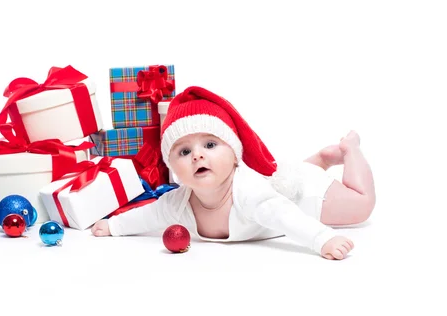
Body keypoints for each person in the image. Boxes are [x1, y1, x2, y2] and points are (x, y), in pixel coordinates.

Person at [91, 86, 376, 260]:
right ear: (171, 167)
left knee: (360, 206)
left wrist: (322, 240)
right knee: (294, 179)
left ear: (236, 154)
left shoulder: (248, 192)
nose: (198, 155)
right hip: (283, 186)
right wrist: (114, 227)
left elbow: (285, 217)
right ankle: (318, 160)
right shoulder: (177, 203)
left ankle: (350, 150)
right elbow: (148, 215)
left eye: (211, 144)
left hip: (306, 197)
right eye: (184, 152)